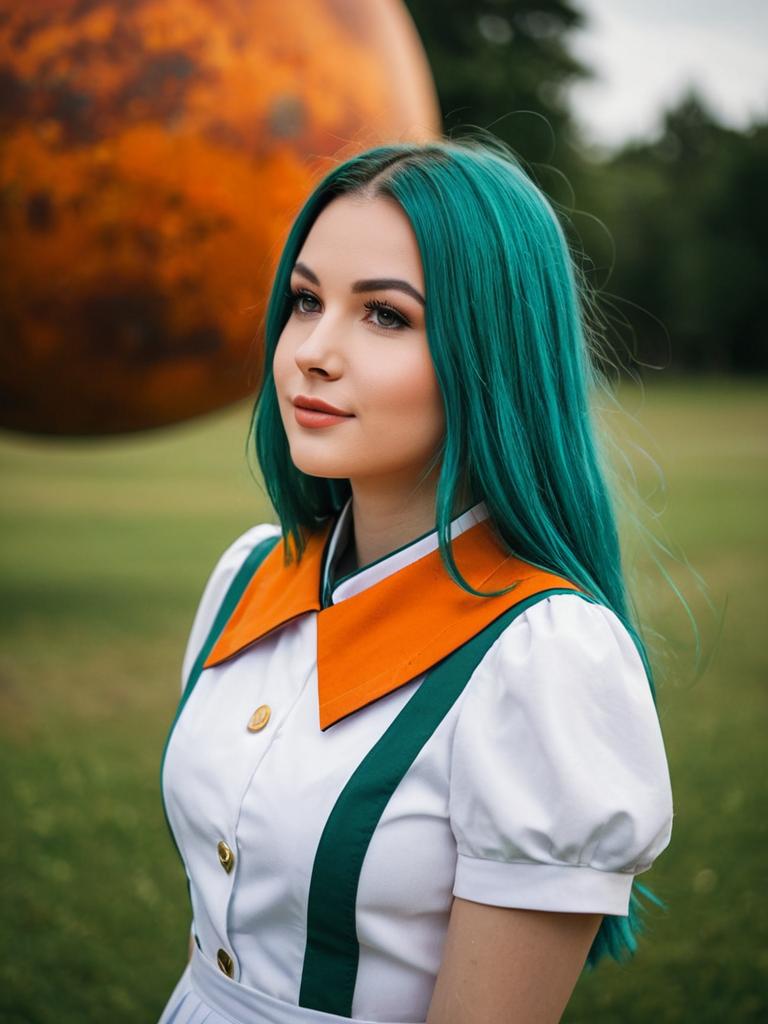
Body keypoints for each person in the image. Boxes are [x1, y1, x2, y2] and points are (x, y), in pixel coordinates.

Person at [157, 138, 674, 1024]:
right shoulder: (248, 575)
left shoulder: (543, 659)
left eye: (385, 316)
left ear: (493, 352)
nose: (312, 352)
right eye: (305, 300)